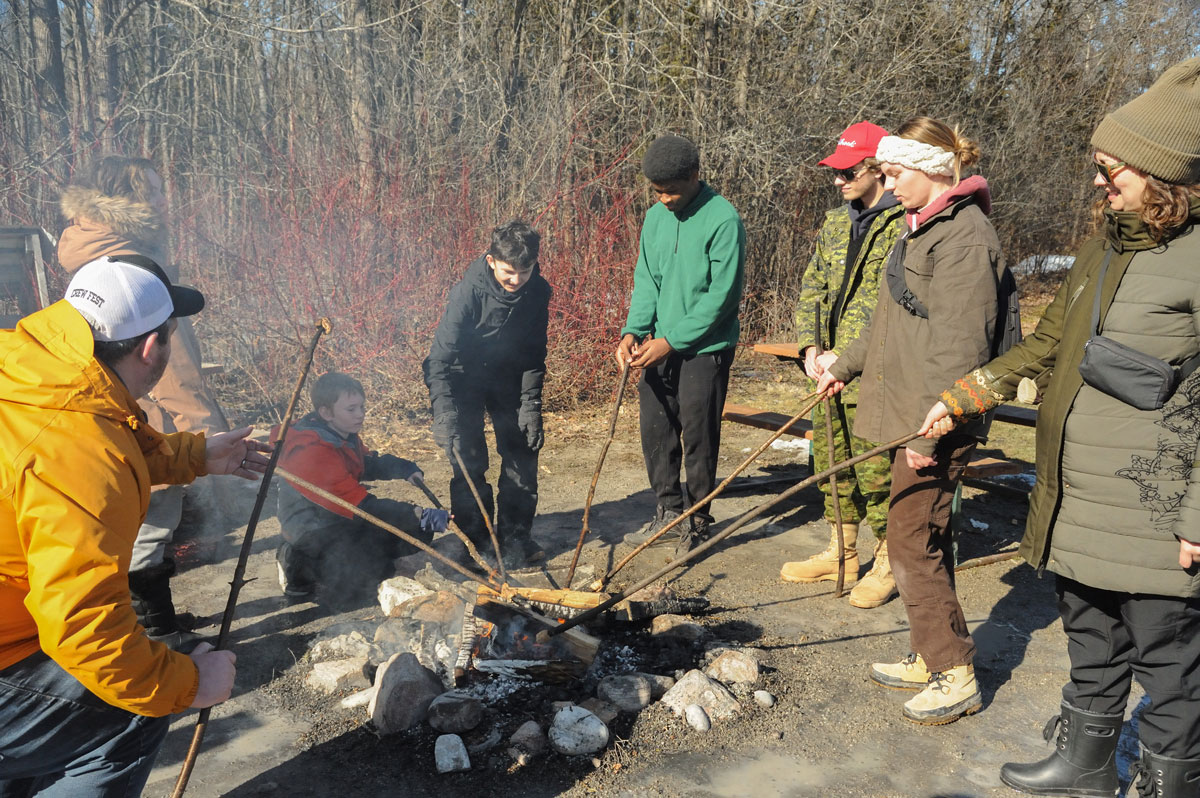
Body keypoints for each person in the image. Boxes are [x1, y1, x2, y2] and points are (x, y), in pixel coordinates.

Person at [921, 57, 1200, 795]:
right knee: (1090, 635)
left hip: (1155, 503)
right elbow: (1052, 345)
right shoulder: (1105, 244)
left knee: (1168, 663)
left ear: (1164, 174)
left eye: (1115, 169)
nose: (1100, 180)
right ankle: (1085, 766)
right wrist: (973, 389)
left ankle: (1174, 783)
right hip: (1077, 489)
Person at [0, 255, 267, 796]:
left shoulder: (36, 374)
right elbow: (84, 629)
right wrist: (189, 683)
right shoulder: (80, 450)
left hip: (13, 623)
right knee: (129, 710)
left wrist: (193, 454)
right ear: (151, 348)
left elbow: (91, 454)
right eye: (169, 335)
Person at [817, 117, 1010, 724]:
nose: (889, 184)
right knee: (924, 536)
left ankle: (953, 674)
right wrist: (842, 367)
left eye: (896, 173)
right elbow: (886, 321)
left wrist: (935, 431)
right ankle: (933, 653)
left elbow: (961, 346)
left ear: (930, 170)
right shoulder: (921, 228)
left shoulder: (964, 237)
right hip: (914, 409)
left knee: (907, 538)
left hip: (936, 417)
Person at [58, 155, 230, 648]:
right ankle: (154, 635)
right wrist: (204, 433)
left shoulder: (94, 250)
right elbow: (171, 367)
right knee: (151, 529)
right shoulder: (129, 263)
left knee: (141, 529)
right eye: (151, 191)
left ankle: (155, 623)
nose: (162, 199)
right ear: (124, 201)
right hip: (147, 419)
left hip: (119, 414)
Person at [780, 121, 905, 609]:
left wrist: (845, 358)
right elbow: (813, 287)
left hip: (873, 372)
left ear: (877, 169)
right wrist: (810, 349)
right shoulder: (837, 222)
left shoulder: (903, 224)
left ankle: (890, 562)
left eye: (848, 171)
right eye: (836, 172)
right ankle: (842, 552)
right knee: (831, 463)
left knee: (875, 468)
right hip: (825, 370)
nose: (838, 181)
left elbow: (892, 305)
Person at [616, 133, 746, 558]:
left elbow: (721, 298)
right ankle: (668, 513)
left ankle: (698, 521)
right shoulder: (655, 218)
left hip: (705, 349)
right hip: (658, 345)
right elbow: (646, 281)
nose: (664, 199)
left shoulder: (723, 219)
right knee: (655, 429)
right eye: (656, 192)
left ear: (695, 176)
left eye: (671, 191)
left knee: (698, 437)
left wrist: (672, 341)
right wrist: (633, 332)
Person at [423, 220, 550, 571]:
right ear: (492, 261)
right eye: (509, 272)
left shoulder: (538, 292)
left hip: (508, 377)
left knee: (522, 453)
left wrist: (531, 406)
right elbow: (439, 361)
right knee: (469, 460)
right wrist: (445, 414)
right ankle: (478, 541)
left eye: (525, 271)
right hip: (462, 377)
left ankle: (514, 539)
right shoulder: (468, 293)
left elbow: (534, 355)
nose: (517, 280)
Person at [275, 371, 450, 604]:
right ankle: (296, 564)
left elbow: (364, 463)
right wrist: (417, 513)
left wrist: (404, 469)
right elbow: (363, 506)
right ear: (326, 412)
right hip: (311, 529)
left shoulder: (339, 435)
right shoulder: (311, 451)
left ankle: (354, 562)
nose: (360, 415)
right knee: (359, 586)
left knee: (415, 532)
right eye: (351, 409)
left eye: (361, 407)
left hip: (338, 518)